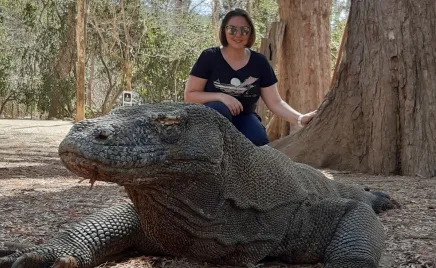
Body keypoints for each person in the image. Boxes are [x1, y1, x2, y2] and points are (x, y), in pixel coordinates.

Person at [184, 8, 317, 146]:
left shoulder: (259, 62)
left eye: (244, 30)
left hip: (244, 117)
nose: (238, 34)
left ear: (250, 33)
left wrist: (300, 119)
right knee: (219, 109)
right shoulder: (209, 57)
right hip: (211, 120)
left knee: (259, 142)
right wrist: (221, 97)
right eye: (232, 29)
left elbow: (275, 102)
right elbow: (190, 95)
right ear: (224, 30)